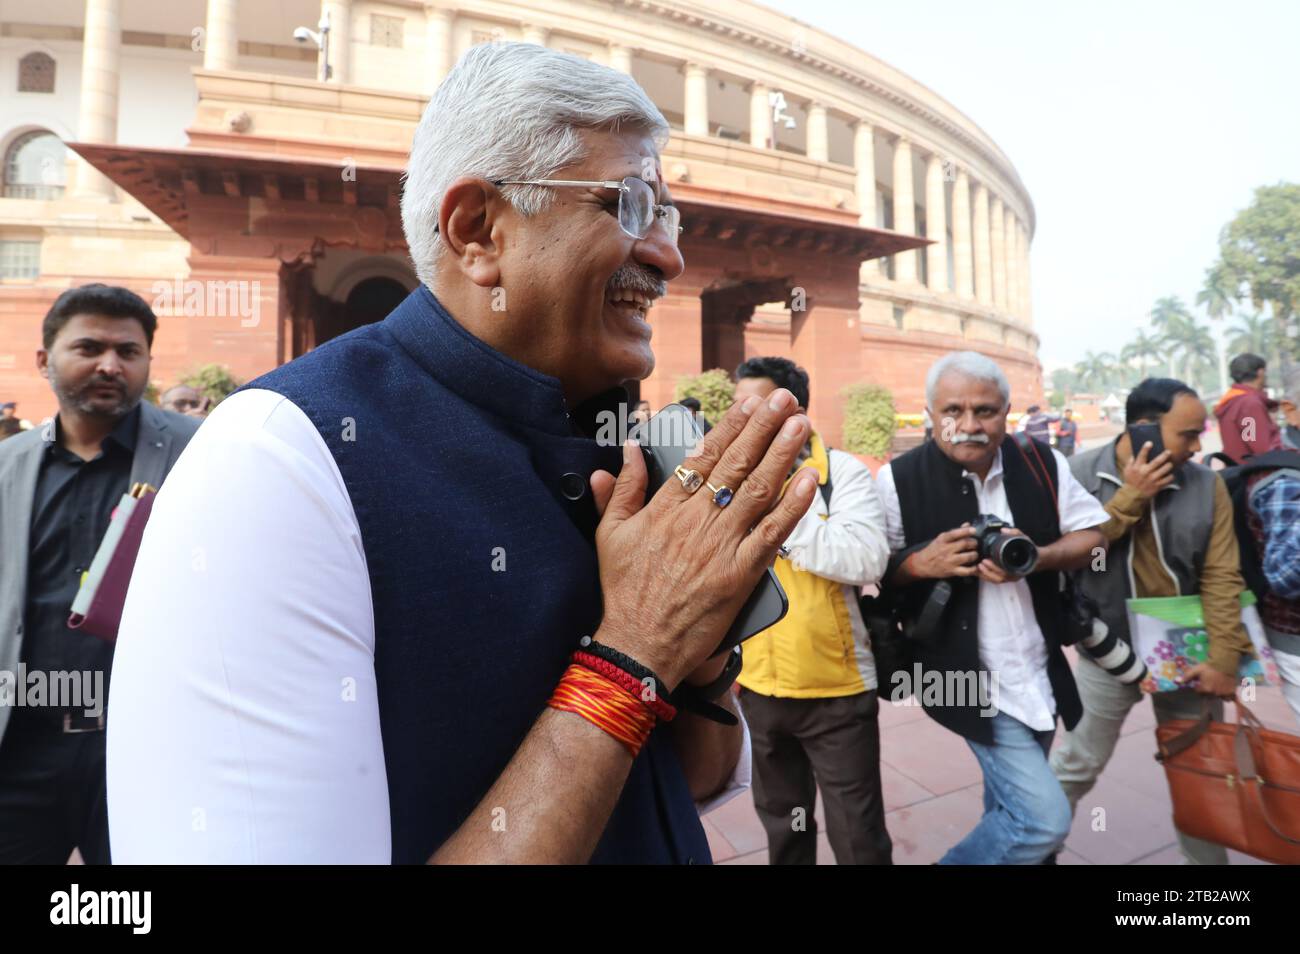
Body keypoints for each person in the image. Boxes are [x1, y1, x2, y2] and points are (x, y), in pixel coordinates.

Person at [106, 42, 821, 864]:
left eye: (668, 216)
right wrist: (634, 652)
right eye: (628, 204)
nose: (668, 256)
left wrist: (698, 659)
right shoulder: (279, 461)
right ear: (478, 231)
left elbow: (690, 784)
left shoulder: (623, 447)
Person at [875, 352, 1108, 864]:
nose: (969, 425)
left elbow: (1096, 536)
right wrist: (921, 563)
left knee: (1006, 808)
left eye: (985, 411)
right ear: (931, 414)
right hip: (960, 680)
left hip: (1038, 669)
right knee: (1043, 821)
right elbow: (874, 574)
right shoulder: (898, 479)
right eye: (952, 411)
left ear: (1007, 413)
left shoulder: (1041, 463)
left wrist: (1039, 557)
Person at [0, 284, 200, 864]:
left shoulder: (200, 451)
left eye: (128, 352)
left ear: (146, 363)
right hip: (23, 743)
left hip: (144, 747)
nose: (110, 365)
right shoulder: (8, 467)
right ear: (44, 360)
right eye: (88, 347)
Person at [1050, 378, 1252, 865]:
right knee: (1076, 766)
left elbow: (1222, 574)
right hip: (1107, 649)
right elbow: (1068, 560)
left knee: (1200, 776)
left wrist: (1224, 658)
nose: (1197, 445)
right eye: (1187, 434)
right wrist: (1130, 500)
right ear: (1144, 430)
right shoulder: (1076, 474)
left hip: (1190, 656)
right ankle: (1029, 851)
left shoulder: (1206, 485)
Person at [731, 356, 892, 865]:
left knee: (859, 838)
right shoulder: (731, 479)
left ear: (793, 410)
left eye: (756, 408)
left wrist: (779, 498)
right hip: (758, 690)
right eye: (738, 409)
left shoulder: (839, 473)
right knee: (783, 829)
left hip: (837, 694)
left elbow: (866, 559)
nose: (741, 421)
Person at [1214, 353, 1282, 464]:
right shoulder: (1248, 404)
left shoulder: (1234, 400)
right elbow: (1260, 448)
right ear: (1260, 372)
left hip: (1239, 471)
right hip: (1254, 475)